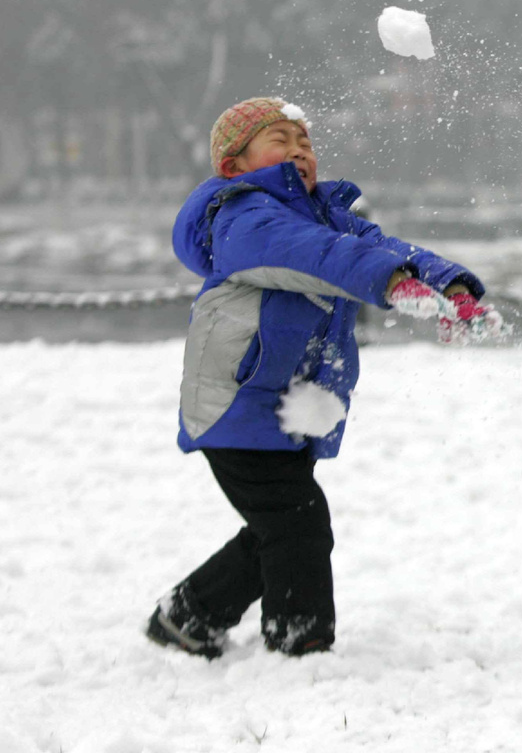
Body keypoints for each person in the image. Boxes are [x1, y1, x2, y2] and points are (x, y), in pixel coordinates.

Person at [148, 96, 504, 658]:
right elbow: (316, 255)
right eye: (280, 142)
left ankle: (189, 616)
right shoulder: (241, 218)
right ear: (234, 164)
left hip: (281, 406)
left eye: (305, 142)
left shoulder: (327, 218)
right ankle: (300, 640)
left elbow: (381, 247)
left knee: (282, 526)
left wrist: (447, 286)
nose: (299, 152)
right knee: (298, 523)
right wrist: (390, 284)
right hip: (238, 404)